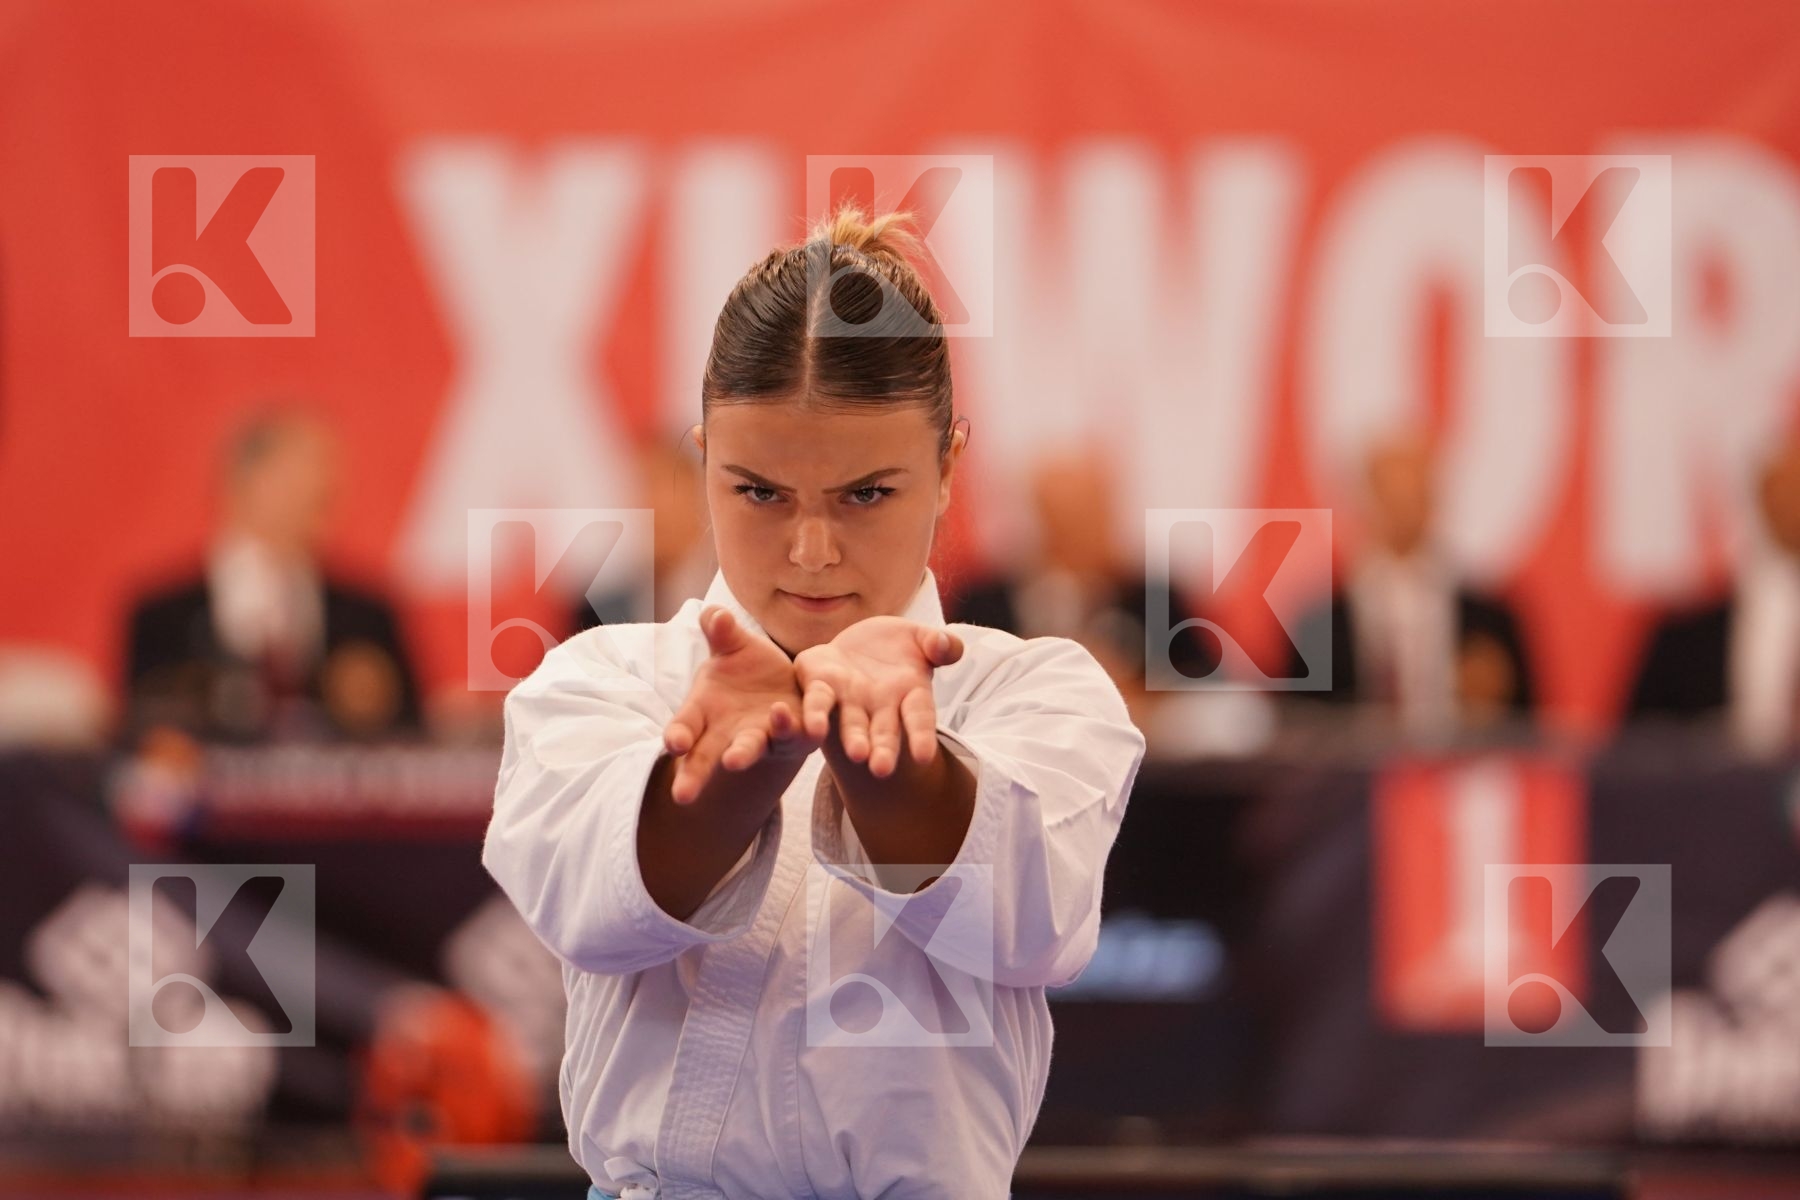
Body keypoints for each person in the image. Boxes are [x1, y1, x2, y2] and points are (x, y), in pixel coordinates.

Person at [482, 205, 1147, 1200]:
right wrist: (724, 777)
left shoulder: (1036, 690)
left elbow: (1026, 919)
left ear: (950, 466)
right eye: (759, 492)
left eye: (866, 495)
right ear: (706, 454)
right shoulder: (598, 683)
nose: (811, 551)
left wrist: (889, 756)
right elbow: (596, 912)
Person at [123, 407, 422, 743]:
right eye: (300, 469)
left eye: (329, 470)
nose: (325, 485)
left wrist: (373, 707)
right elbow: (139, 738)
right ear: (241, 481)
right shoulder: (164, 614)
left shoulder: (366, 613)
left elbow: (415, 733)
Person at [1286, 432, 1535, 737]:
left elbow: (1531, 729)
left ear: (1435, 501)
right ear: (1361, 501)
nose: (1402, 509)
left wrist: (1489, 706)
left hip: (1454, 776)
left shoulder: (1490, 621)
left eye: (1415, 493)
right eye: (1389, 494)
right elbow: (1291, 731)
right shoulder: (1319, 626)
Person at [1628, 435, 1800, 753]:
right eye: (1786, 491)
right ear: (1762, 500)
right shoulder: (1683, 639)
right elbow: (1635, 760)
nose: (1794, 506)